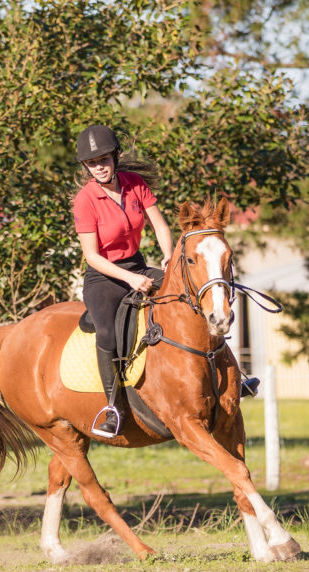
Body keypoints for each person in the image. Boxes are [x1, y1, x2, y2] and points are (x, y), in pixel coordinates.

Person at [72, 124, 173, 438]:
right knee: (106, 331)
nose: (99, 166)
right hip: (105, 278)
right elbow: (92, 256)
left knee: (188, 296)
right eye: (92, 162)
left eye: (104, 158)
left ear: (115, 156)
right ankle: (113, 408)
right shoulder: (85, 200)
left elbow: (159, 225)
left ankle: (235, 375)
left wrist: (169, 258)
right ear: (86, 166)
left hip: (138, 267)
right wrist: (129, 278)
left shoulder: (135, 184)